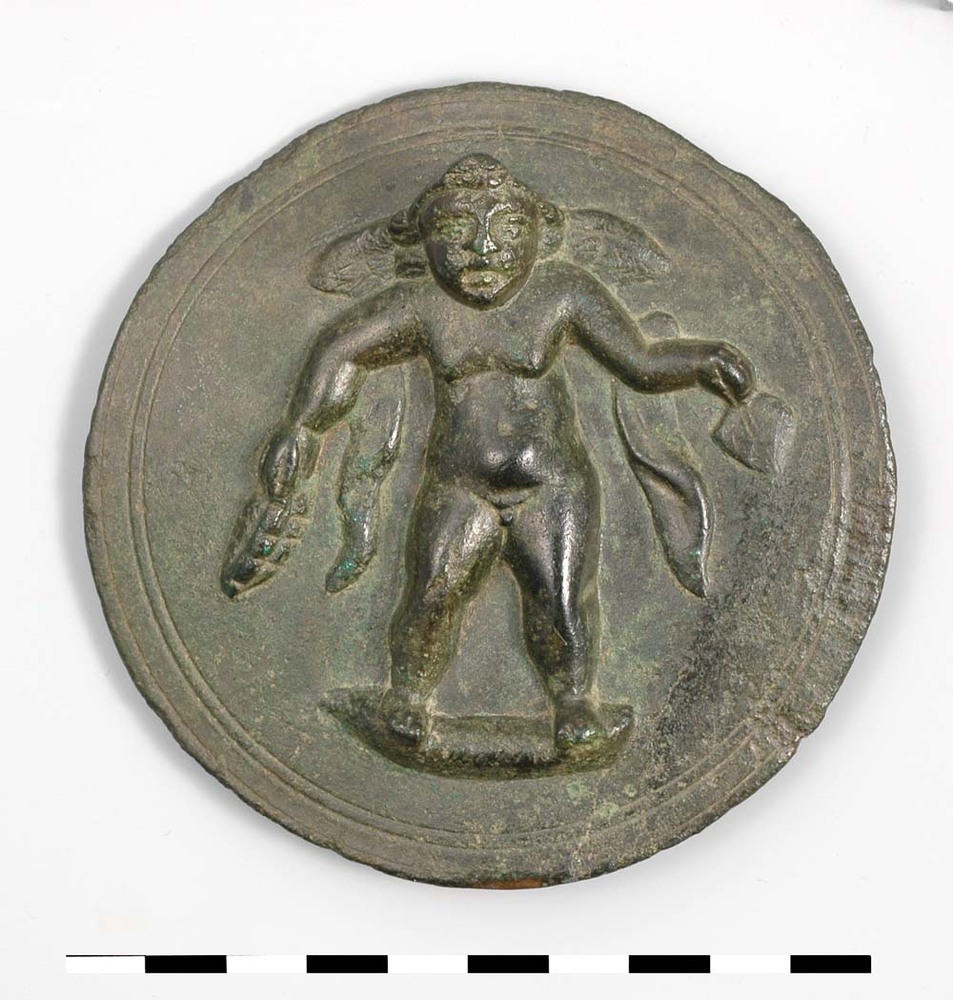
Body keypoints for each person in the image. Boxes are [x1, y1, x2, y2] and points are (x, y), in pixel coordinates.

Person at [255, 154, 753, 754]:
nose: (483, 249)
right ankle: (408, 697)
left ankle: (573, 702)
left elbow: (640, 362)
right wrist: (302, 425)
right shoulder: (420, 305)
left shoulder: (562, 294)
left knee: (561, 600)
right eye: (456, 230)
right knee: (432, 592)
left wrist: (699, 360)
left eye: (509, 230)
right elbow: (343, 348)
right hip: (459, 488)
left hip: (554, 487)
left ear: (541, 235)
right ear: (424, 240)